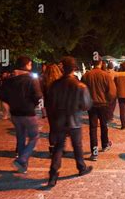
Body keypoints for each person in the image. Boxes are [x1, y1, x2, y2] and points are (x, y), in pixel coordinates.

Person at [46, 57, 93, 187]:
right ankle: (81, 167)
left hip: (59, 121)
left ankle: (53, 174)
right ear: (74, 68)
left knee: (58, 147)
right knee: (77, 145)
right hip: (74, 120)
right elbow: (87, 105)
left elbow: (50, 104)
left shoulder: (55, 85)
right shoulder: (79, 86)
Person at [0, 56, 42, 173]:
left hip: (15, 114)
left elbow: (1, 94)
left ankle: (23, 167)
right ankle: (22, 159)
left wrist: (10, 103)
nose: (31, 66)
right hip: (28, 113)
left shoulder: (10, 79)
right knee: (34, 136)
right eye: (30, 64)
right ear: (27, 65)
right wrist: (32, 104)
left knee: (21, 138)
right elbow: (38, 95)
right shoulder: (31, 78)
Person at [82, 59, 117, 161]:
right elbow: (112, 92)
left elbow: (82, 90)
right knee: (104, 125)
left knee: (92, 128)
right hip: (103, 104)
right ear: (101, 63)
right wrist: (109, 101)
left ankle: (94, 153)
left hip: (91, 105)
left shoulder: (86, 76)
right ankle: (105, 144)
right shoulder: (105, 75)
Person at [41, 64, 63, 155]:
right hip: (60, 106)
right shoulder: (60, 81)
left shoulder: (44, 82)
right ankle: (59, 147)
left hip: (49, 107)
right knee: (60, 128)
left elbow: (43, 95)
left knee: (52, 128)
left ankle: (52, 147)